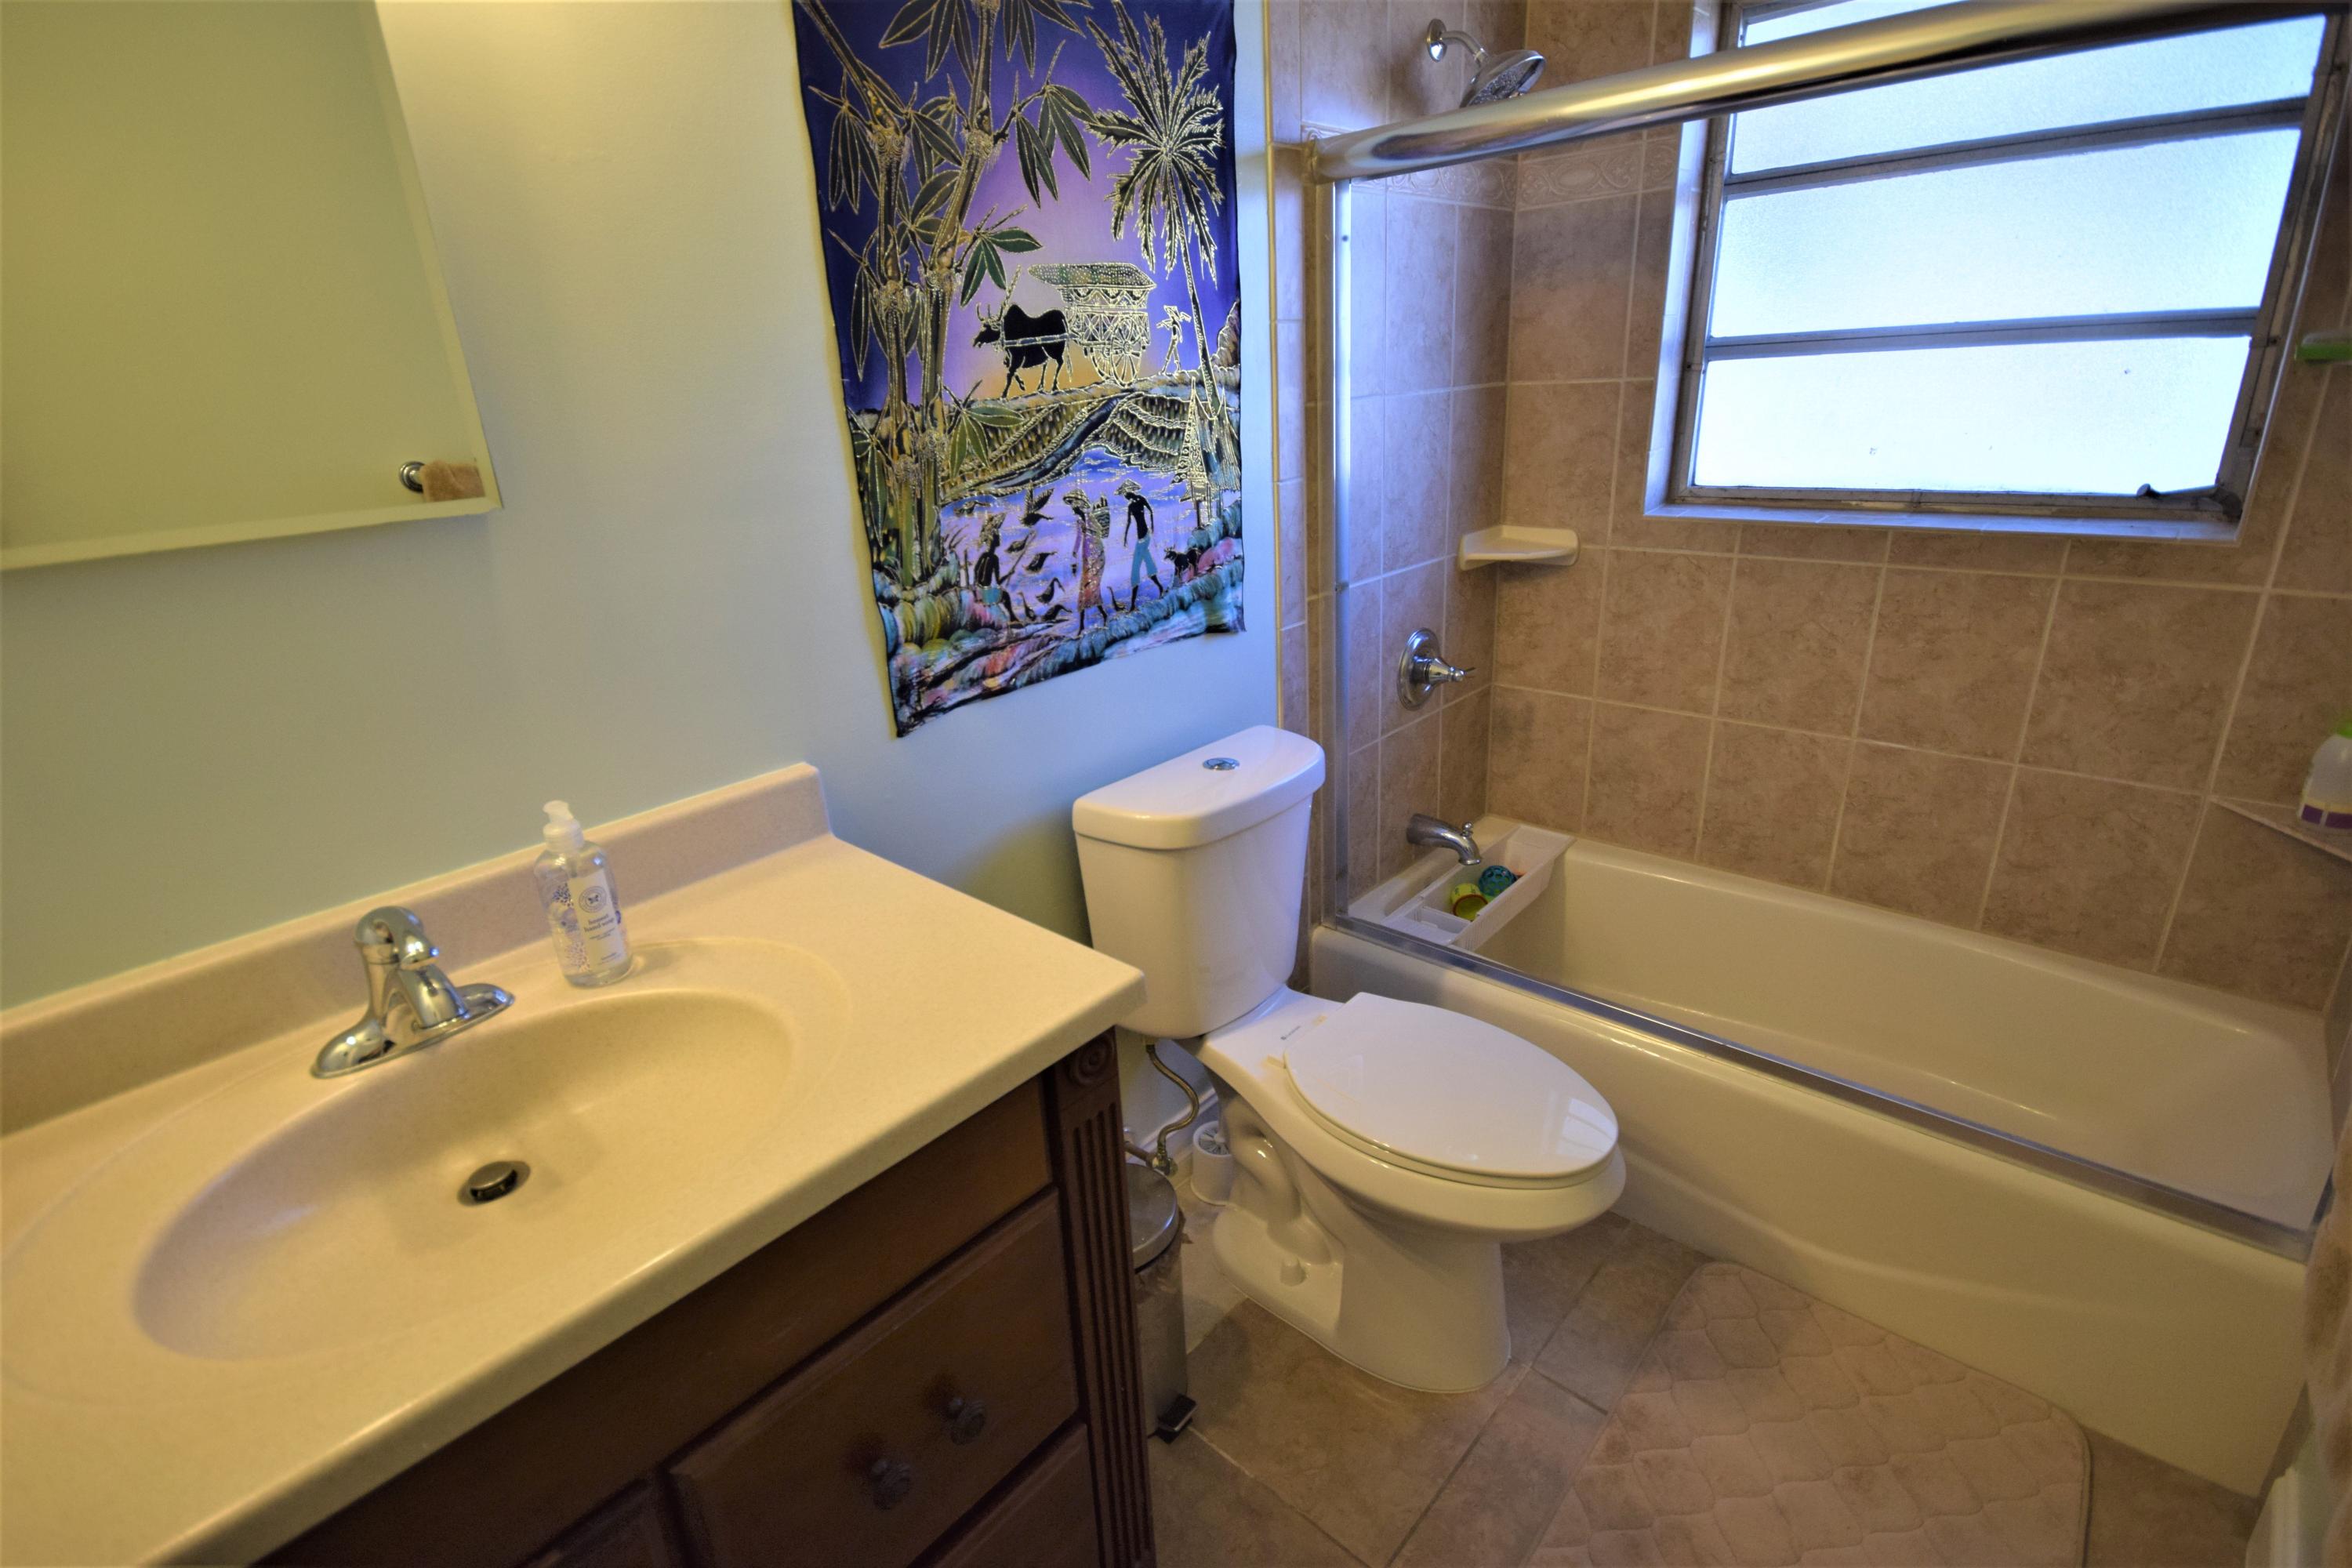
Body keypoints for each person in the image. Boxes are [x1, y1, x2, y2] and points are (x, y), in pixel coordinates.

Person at [1116, 479, 1163, 608]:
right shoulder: (1130, 506)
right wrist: (1125, 537)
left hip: (1145, 536)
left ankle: (1132, 604)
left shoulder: (1141, 499)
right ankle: (1160, 587)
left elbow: (1151, 511)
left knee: (1135, 567)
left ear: (1129, 492)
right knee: (1148, 562)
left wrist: (1153, 526)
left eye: (1125, 493)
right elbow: (1129, 522)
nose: (1125, 496)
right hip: (1141, 537)